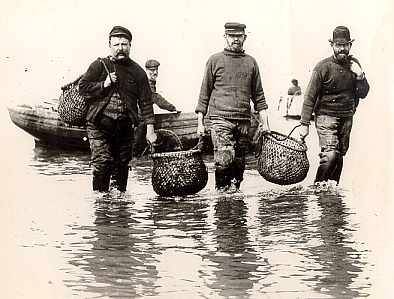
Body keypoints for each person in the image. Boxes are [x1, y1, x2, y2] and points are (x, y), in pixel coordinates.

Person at [79, 25, 157, 192]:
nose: (121, 48)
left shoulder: (138, 72)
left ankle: (120, 210)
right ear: (109, 45)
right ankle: (100, 205)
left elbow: (146, 102)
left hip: (124, 128)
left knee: (122, 165)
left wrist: (150, 130)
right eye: (117, 45)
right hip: (99, 125)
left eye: (124, 44)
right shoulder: (99, 65)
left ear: (130, 46)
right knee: (102, 163)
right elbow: (83, 88)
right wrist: (104, 84)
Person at [195, 22, 270, 191]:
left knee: (239, 162)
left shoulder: (251, 62)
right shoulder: (214, 60)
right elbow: (204, 93)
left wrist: (265, 124)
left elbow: (259, 96)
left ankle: (236, 199)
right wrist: (200, 122)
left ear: (245, 37)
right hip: (220, 119)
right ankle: (221, 195)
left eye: (239, 36)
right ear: (225, 37)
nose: (235, 39)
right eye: (232, 36)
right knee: (224, 158)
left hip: (244, 122)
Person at [299, 26, 370, 184]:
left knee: (339, 156)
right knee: (330, 155)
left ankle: (332, 194)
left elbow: (363, 93)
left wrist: (360, 76)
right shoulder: (322, 67)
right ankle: (318, 187)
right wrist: (304, 124)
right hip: (326, 116)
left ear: (350, 45)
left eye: (345, 45)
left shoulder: (355, 65)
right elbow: (310, 97)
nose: (342, 49)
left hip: (347, 117)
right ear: (332, 45)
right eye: (338, 45)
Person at [133, 59, 178, 157]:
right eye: (152, 70)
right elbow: (156, 98)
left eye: (156, 70)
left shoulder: (148, 81)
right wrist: (172, 108)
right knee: (136, 145)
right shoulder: (147, 83)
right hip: (141, 118)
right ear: (146, 70)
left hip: (142, 117)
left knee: (138, 144)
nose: (155, 72)